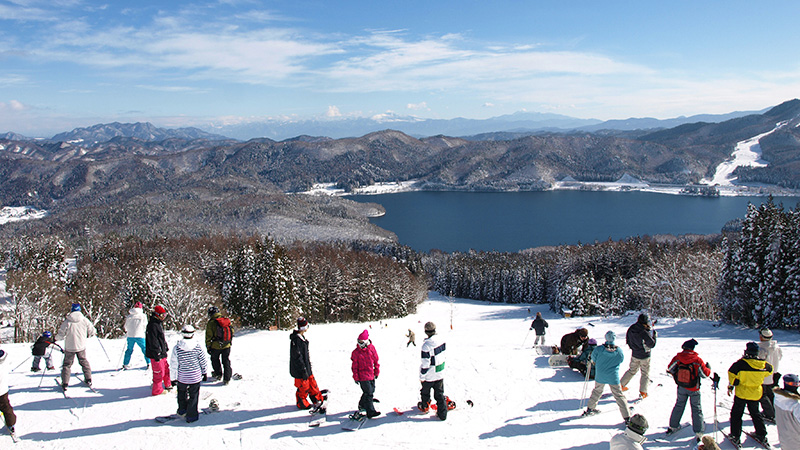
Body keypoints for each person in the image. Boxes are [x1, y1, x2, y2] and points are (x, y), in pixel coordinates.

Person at [727, 341, 773, 447]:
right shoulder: (763, 365)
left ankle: (735, 435)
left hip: (742, 393)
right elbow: (770, 370)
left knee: (737, 414)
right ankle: (761, 434)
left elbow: (731, 374)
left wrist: (734, 383)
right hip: (755, 393)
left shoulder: (740, 364)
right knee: (755, 413)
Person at [666, 338, 712, 441]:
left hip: (682, 386)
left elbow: (670, 369)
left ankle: (673, 426)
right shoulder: (697, 360)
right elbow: (705, 374)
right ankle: (699, 432)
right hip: (694, 388)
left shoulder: (678, 357)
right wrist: (708, 368)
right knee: (696, 409)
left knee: (679, 405)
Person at [584, 330, 631, 423]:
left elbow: (593, 359)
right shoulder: (618, 351)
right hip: (613, 376)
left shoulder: (599, 349)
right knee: (619, 395)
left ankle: (590, 408)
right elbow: (621, 360)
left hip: (600, 375)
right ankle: (627, 417)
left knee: (597, 391)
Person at [169, 325, 208, 423]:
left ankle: (182, 410)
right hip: (195, 376)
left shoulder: (177, 348)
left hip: (182, 376)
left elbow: (174, 364)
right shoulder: (197, 347)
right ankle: (191, 415)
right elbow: (203, 360)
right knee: (193, 396)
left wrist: (173, 378)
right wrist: (204, 372)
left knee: (181, 394)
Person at [56, 303, 96, 389]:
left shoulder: (67, 321)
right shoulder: (84, 320)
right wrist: (90, 335)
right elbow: (92, 330)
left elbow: (61, 333)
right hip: (81, 345)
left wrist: (56, 338)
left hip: (69, 347)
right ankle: (88, 379)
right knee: (83, 361)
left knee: (67, 365)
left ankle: (65, 383)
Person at [290, 317, 325, 410]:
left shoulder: (302, 338)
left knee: (312, 382)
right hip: (300, 369)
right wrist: (303, 369)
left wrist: (308, 367)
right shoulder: (296, 340)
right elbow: (297, 357)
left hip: (306, 367)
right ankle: (301, 402)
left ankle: (316, 398)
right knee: (303, 386)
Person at [418, 321, 450, 421]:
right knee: (439, 393)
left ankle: (425, 405)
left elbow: (425, 363)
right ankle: (442, 413)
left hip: (430, 374)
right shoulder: (441, 340)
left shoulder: (426, 346)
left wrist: (422, 376)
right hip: (440, 370)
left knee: (425, 391)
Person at [620, 313, 657, 399]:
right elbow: (652, 344)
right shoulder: (644, 331)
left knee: (632, 370)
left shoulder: (632, 328)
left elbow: (628, 339)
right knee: (645, 373)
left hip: (635, 354)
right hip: (644, 355)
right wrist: (654, 336)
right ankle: (643, 391)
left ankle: (621, 385)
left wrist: (633, 348)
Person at [351, 329, 381, 418]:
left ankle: (362, 404)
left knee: (371, 390)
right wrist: (356, 377)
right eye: (358, 341)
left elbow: (376, 361)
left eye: (361, 341)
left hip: (371, 374)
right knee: (369, 393)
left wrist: (377, 371)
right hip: (362, 376)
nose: (360, 343)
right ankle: (370, 411)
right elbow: (354, 367)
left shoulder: (371, 349)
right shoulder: (356, 353)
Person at [145, 305, 172, 396]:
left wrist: (165, 346)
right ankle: (157, 390)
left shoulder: (158, 323)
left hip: (161, 352)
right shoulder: (153, 325)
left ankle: (168, 384)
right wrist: (157, 352)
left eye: (165, 315)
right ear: (157, 315)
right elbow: (153, 341)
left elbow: (160, 338)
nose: (163, 317)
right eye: (162, 315)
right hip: (156, 354)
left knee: (166, 369)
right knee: (159, 372)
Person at [757, 327, 782, 424]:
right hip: (774, 373)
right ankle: (775, 412)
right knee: (771, 394)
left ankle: (769, 414)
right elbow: (780, 357)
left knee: (762, 395)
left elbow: (759, 362)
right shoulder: (776, 347)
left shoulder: (762, 349)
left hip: (764, 375)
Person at [205, 306, 234, 384]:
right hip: (227, 345)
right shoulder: (226, 320)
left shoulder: (211, 322)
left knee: (215, 359)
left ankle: (218, 374)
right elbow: (232, 331)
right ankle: (227, 378)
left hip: (216, 346)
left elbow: (209, 335)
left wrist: (208, 346)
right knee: (226, 360)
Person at [773, 373, 800, 450]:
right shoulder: (795, 405)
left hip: (784, 440)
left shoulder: (778, 398)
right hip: (797, 442)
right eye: (794, 384)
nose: (796, 386)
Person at [122, 302, 150, 370]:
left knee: (129, 350)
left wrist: (128, 331)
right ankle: (149, 363)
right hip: (139, 335)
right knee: (145, 349)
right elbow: (145, 325)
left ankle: (126, 363)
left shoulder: (129, 316)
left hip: (130, 335)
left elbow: (126, 326)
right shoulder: (143, 316)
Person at [0, 348, 17, 439]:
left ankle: (10, 424)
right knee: (6, 408)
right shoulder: (5, 358)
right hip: (3, 390)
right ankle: (11, 424)